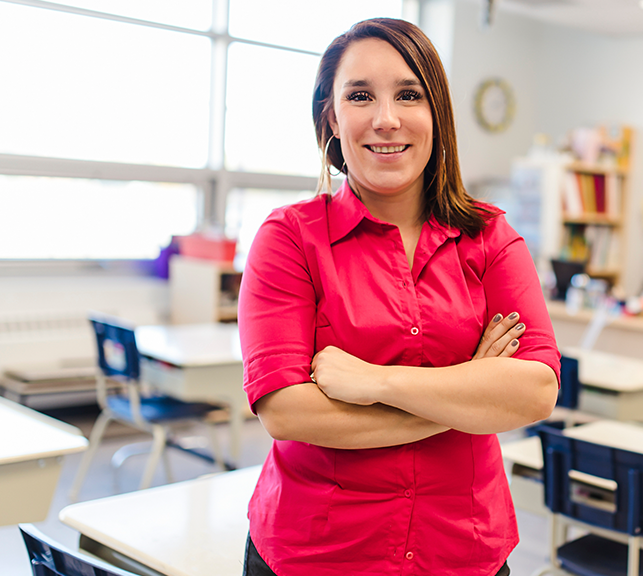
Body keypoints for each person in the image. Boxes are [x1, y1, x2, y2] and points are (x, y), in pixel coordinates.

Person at [237, 17, 560, 576]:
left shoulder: (492, 238)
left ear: (436, 112)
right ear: (332, 118)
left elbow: (533, 392)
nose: (386, 119)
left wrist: (374, 383)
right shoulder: (289, 238)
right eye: (360, 96)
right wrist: (467, 394)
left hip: (462, 552)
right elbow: (286, 410)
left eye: (408, 94)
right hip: (317, 555)